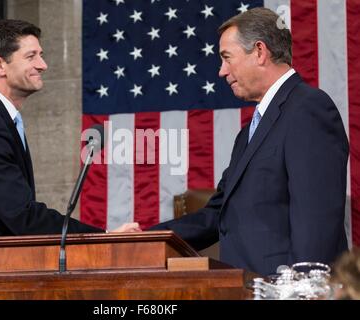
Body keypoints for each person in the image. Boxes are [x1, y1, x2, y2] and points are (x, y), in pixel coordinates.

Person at [0, 19, 140, 277]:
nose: (43, 65)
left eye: (41, 55)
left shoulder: (0, 116)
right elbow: (23, 215)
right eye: (31, 56)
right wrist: (103, 237)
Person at [150, 8, 349, 276]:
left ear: (259, 51)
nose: (221, 71)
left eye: (226, 57)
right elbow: (216, 214)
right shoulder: (249, 133)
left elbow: (316, 223)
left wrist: (298, 293)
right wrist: (144, 238)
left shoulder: (308, 109)